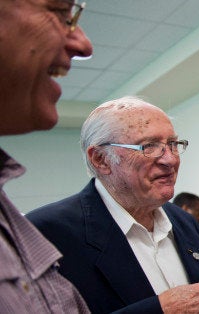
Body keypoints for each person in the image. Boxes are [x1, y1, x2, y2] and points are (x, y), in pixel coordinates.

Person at [27, 96, 199, 314]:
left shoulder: (183, 221)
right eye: (149, 146)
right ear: (101, 159)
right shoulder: (45, 234)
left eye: (173, 144)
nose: (171, 159)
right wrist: (159, 310)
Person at [0, 1, 93, 312]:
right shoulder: (52, 225)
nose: (83, 44)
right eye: (62, 15)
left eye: (173, 144)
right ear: (101, 159)